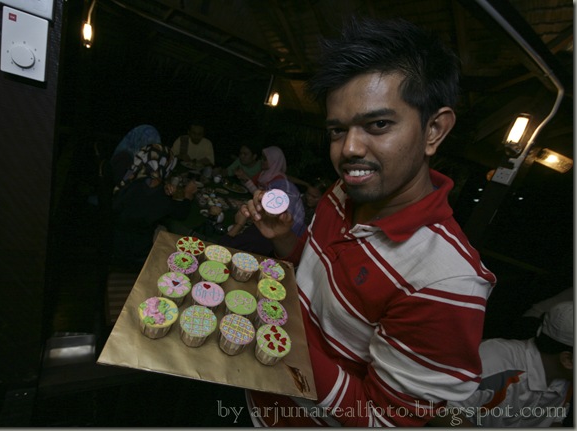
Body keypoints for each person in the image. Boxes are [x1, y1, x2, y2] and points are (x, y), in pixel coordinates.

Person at [240, 17, 497, 426]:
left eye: (378, 125)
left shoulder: (445, 282)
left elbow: (380, 419)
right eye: (337, 130)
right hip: (253, 393)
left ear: (434, 129)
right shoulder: (344, 192)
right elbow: (316, 278)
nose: (349, 149)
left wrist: (275, 336)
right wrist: (284, 238)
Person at [434, 301, 573, 427]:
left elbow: (555, 421)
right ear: (567, 360)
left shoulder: (565, 379)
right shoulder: (495, 361)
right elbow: (437, 409)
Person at [112, 141, 197, 269]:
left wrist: (162, 185)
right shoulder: (159, 198)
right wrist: (188, 194)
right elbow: (181, 214)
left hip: (115, 241)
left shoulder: (132, 180)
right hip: (135, 253)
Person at [220, 145, 305, 256]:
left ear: (274, 161)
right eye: (262, 158)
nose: (262, 161)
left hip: (287, 239)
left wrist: (239, 224)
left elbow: (280, 215)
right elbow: (257, 193)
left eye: (265, 159)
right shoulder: (265, 174)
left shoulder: (282, 184)